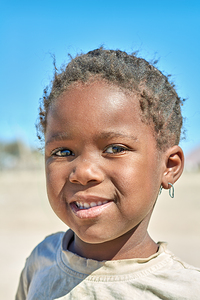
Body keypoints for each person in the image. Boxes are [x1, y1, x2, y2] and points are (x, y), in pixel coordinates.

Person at [15, 48, 200, 300]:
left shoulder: (186, 290)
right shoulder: (41, 262)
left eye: (115, 149)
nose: (82, 172)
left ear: (169, 166)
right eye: (63, 151)